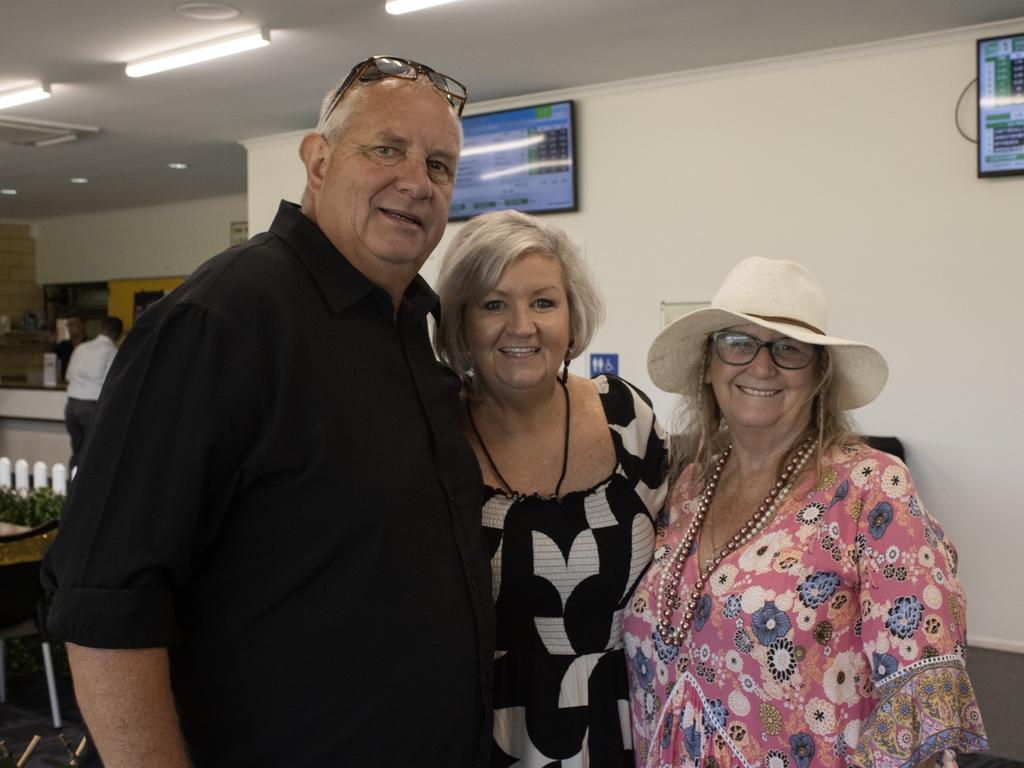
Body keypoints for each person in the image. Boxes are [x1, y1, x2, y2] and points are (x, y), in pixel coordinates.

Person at [42, 56, 494, 767]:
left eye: (440, 165)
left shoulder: (413, 332)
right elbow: (105, 603)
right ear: (317, 161)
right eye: (386, 149)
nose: (416, 181)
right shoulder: (221, 320)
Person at [625, 257, 988, 767]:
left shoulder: (872, 489)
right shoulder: (688, 487)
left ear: (819, 374)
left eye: (789, 349)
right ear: (709, 366)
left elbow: (918, 680)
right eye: (737, 343)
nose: (761, 365)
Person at [435, 210, 668, 766]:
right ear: (460, 322)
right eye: (494, 304)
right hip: (484, 736)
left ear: (571, 315)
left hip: (625, 728)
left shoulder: (627, 417)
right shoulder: (434, 436)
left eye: (544, 301)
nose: (522, 325)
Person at [63, 315, 123, 471]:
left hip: (71, 406)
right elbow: (112, 384)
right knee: (94, 453)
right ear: (118, 335)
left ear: (101, 329)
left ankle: (72, 489)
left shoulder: (80, 348)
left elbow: (68, 376)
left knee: (77, 452)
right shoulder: (113, 352)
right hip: (91, 407)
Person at [53, 311, 87, 380]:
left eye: (73, 324)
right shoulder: (62, 346)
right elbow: (52, 363)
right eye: (68, 325)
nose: (70, 327)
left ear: (83, 325)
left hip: (85, 386)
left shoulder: (91, 346)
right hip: (64, 385)